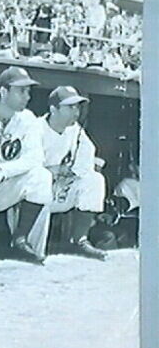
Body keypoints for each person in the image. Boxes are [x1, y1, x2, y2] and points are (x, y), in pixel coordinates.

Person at [0, 66, 53, 263]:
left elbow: (35, 157)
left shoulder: (28, 119)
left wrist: (4, 170)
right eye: (21, 91)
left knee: (42, 177)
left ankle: (23, 241)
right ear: (3, 91)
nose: (27, 97)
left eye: (28, 91)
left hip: (4, 185)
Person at [39, 86, 107, 260]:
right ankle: (25, 245)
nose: (76, 112)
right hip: (33, 196)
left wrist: (69, 172)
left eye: (77, 107)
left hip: (60, 189)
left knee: (94, 179)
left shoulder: (75, 130)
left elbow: (87, 158)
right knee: (39, 179)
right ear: (53, 109)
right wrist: (54, 171)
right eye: (70, 107)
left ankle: (79, 240)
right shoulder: (36, 128)